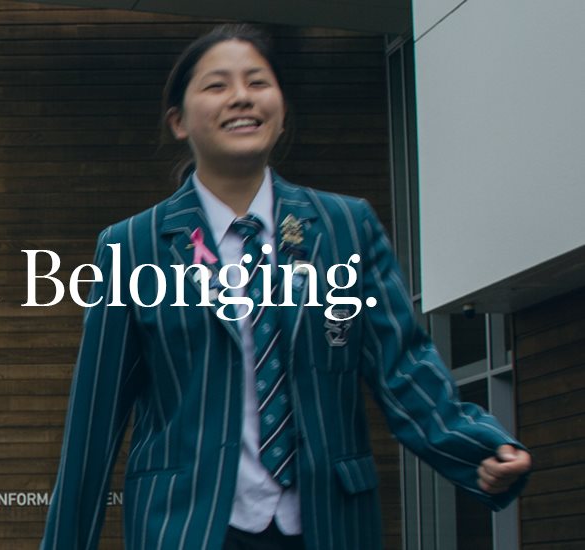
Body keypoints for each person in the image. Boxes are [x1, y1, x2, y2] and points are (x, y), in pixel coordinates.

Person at [40, 24, 531, 550]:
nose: (241, 98)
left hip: (328, 523)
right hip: (187, 528)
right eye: (216, 86)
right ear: (179, 122)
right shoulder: (134, 245)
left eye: (257, 82)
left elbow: (402, 364)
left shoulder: (346, 226)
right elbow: (94, 421)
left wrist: (477, 449)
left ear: (281, 108)